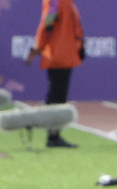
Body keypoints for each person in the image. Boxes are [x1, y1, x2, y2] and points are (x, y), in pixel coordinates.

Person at [25, 0, 85, 148]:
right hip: (59, 55)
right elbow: (47, 24)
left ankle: (53, 134)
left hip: (64, 54)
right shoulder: (56, 1)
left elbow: (73, 27)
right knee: (56, 97)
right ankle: (52, 135)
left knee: (58, 96)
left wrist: (80, 46)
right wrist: (37, 47)